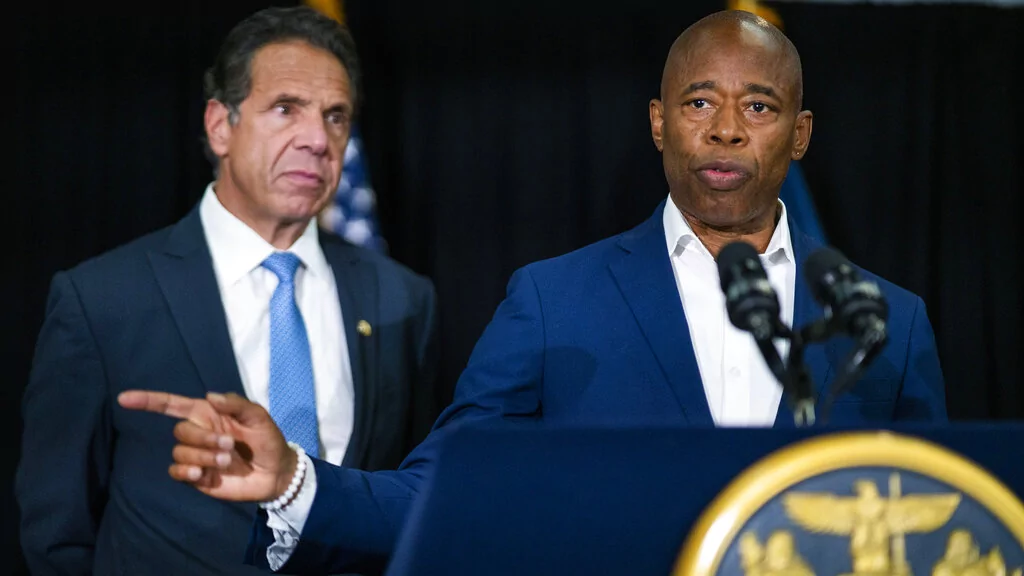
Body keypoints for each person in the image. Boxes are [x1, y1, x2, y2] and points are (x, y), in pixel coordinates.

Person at [118, 9, 947, 574]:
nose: (726, 128)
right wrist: (296, 480)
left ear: (799, 134)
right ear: (659, 122)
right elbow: (444, 492)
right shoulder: (557, 302)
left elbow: (942, 525)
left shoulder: (886, 322)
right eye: (700, 101)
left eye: (758, 105)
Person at [16, 6, 439, 575]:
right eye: (286, 108)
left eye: (336, 116)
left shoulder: (403, 298)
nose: (317, 138)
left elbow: (420, 498)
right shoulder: (102, 300)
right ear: (220, 125)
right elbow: (57, 532)